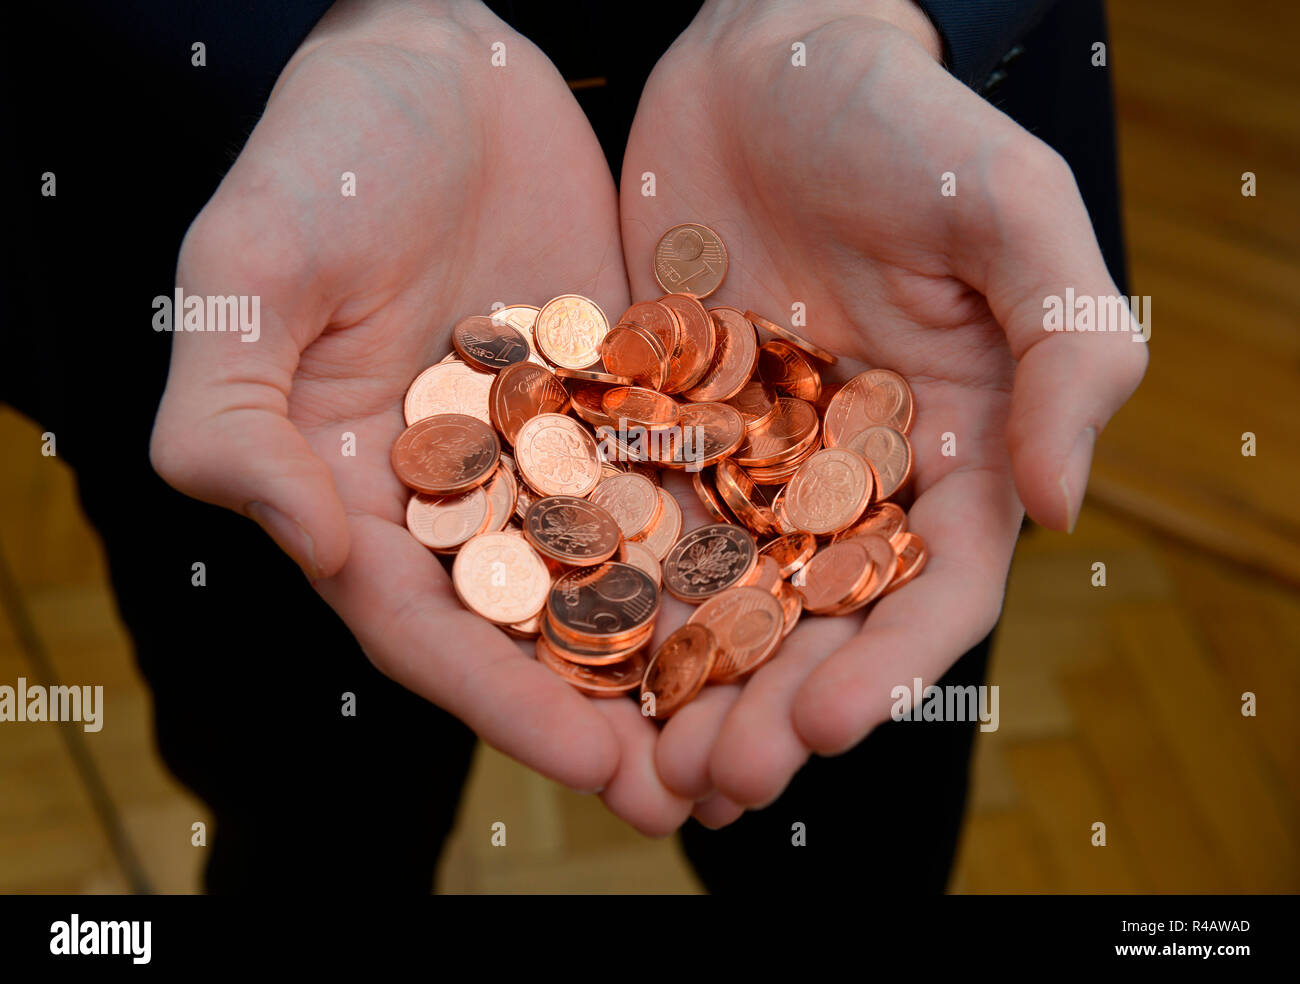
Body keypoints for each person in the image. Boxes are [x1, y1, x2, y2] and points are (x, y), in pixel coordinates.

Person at [6, 0, 1144, 892]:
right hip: (256, 224)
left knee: (852, 829)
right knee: (306, 814)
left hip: (871, 236)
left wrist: (842, 10)